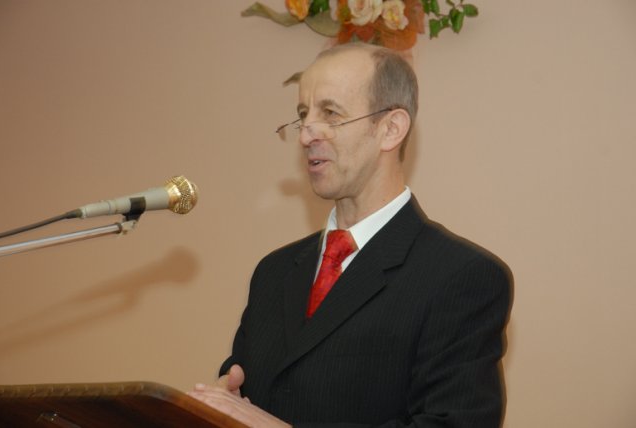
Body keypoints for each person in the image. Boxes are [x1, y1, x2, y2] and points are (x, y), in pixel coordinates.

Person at [189, 42, 512, 427]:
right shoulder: (273, 272)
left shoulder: (462, 277)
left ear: (390, 129)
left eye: (330, 113)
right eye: (303, 114)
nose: (306, 135)